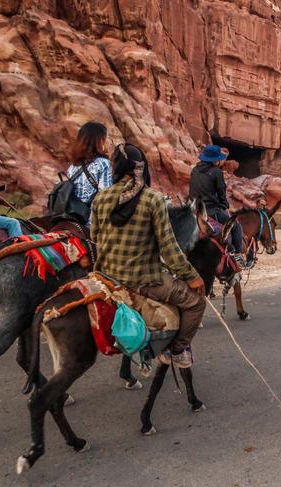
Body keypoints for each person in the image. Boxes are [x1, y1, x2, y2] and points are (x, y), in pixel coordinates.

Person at [91, 143, 206, 368]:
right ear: (140, 168)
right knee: (196, 303)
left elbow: (95, 235)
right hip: (141, 279)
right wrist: (191, 275)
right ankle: (177, 350)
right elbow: (169, 248)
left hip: (105, 275)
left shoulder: (100, 198)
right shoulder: (153, 199)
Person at [188, 145, 244, 262]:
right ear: (215, 160)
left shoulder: (194, 169)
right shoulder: (216, 171)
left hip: (193, 209)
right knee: (236, 226)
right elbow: (221, 191)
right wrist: (225, 206)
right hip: (211, 210)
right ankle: (237, 254)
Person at [65, 121, 113, 225]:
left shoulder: (72, 167)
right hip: (90, 223)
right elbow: (105, 197)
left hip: (72, 218)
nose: (109, 141)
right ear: (100, 141)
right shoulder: (104, 164)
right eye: (107, 138)